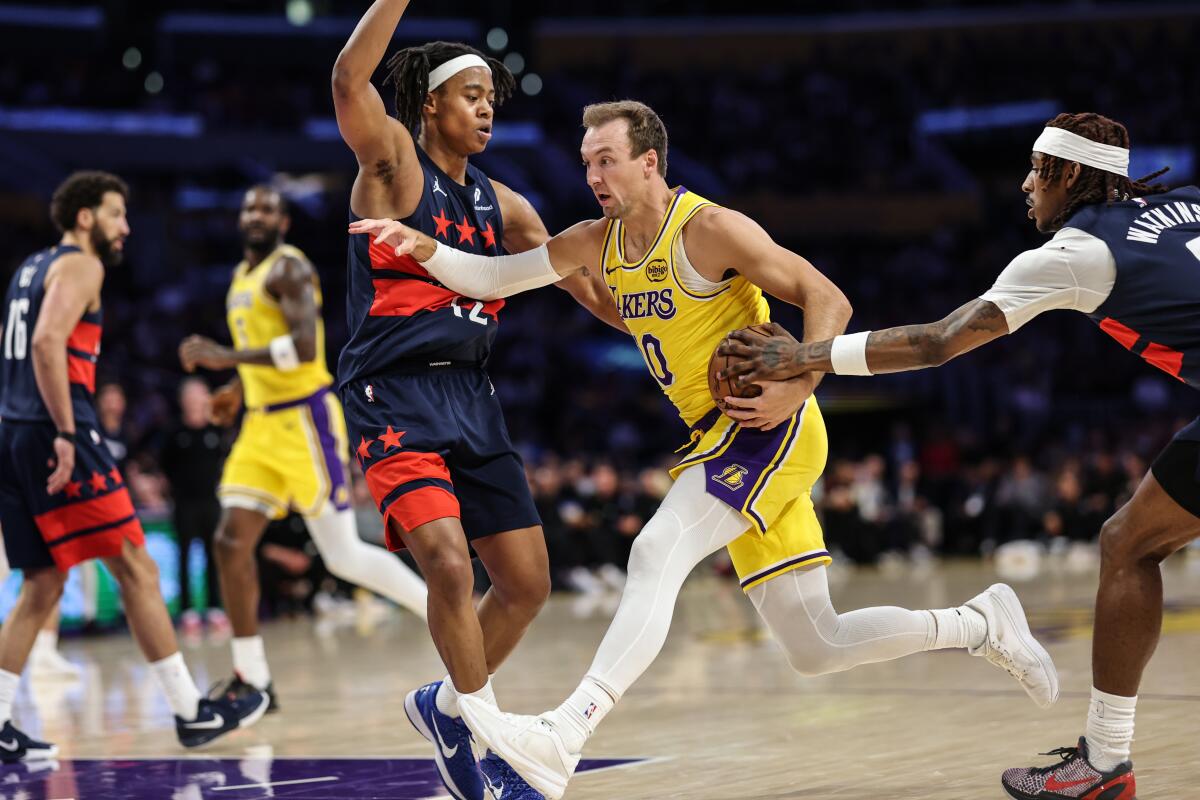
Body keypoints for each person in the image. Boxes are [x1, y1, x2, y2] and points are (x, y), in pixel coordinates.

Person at [351, 99, 1059, 800]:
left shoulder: (711, 229)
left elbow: (827, 296)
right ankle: (979, 622)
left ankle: (564, 734)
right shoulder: (595, 240)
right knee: (817, 645)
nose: (594, 175)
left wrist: (801, 380)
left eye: (607, 160)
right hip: (720, 432)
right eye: (587, 162)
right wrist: (426, 249)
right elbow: (498, 277)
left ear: (649, 162)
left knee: (656, 552)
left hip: (767, 425)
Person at [716, 112, 1187, 800]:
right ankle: (1103, 764)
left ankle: (1105, 765)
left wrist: (804, 355)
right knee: (1127, 541)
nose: (1026, 184)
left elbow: (939, 342)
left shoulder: (1078, 254)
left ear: (1074, 175)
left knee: (1127, 545)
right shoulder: (1185, 205)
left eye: (1038, 169)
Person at [330, 3, 624, 799]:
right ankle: (488, 757)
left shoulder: (510, 207)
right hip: (393, 389)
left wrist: (682, 318)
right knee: (448, 566)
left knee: (527, 583)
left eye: (494, 95)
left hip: (471, 396)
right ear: (430, 104)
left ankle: (449, 708)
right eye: (472, 94)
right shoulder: (392, 164)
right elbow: (348, 78)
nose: (489, 106)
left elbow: (594, 293)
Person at [0, 171, 267, 761]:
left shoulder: (27, 270)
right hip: (58, 429)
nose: (126, 227)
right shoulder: (80, 265)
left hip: (15, 432)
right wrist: (68, 431)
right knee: (136, 566)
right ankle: (190, 712)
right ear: (86, 217)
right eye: (117, 214)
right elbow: (46, 344)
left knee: (41, 584)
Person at [178, 185, 429, 711]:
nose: (255, 214)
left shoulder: (288, 269)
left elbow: (303, 349)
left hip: (304, 422)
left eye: (267, 208)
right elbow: (262, 355)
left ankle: (443, 612)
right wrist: (236, 388)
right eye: (248, 207)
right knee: (229, 542)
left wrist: (226, 358)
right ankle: (254, 679)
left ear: (283, 223)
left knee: (341, 556)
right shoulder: (240, 277)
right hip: (258, 426)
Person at [158, 377, 229, 636]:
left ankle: (214, 608)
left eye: (200, 394)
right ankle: (187, 610)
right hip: (184, 504)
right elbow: (163, 466)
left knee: (214, 556)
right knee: (184, 556)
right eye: (190, 395)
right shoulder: (175, 432)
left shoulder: (216, 430)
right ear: (182, 400)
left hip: (211, 501)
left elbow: (225, 462)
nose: (195, 400)